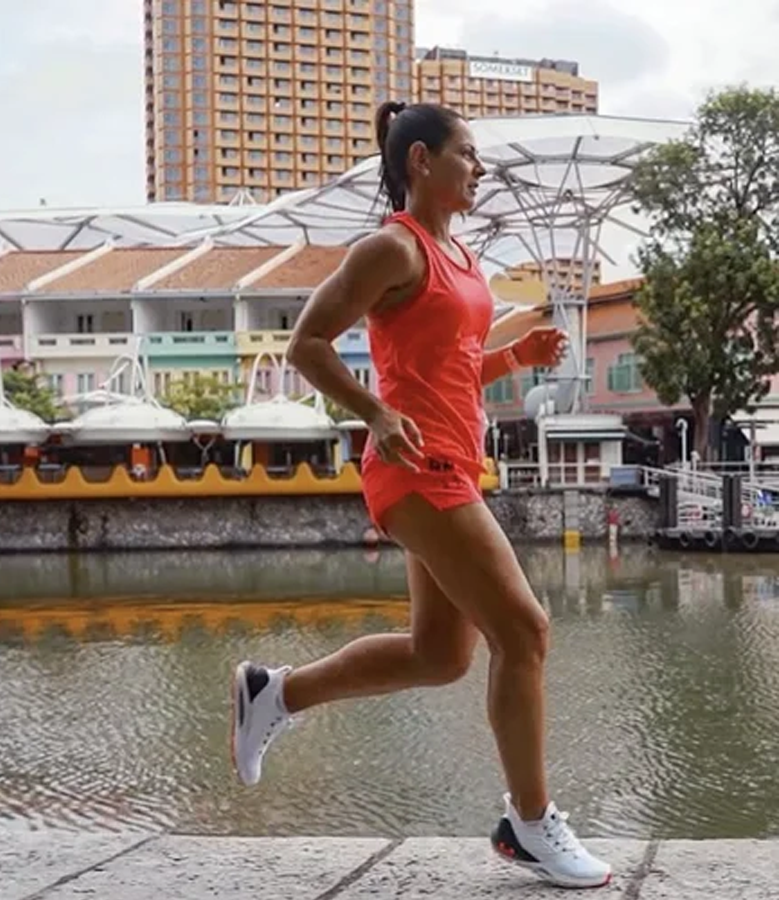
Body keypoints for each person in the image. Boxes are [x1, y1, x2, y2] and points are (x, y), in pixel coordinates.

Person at [230, 101, 611, 890]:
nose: (479, 168)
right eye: (466, 153)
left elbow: (453, 367)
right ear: (421, 161)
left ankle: (275, 692)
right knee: (525, 631)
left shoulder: (460, 258)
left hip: (453, 466)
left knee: (439, 656)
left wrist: (515, 357)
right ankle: (529, 822)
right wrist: (374, 411)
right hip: (414, 468)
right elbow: (306, 343)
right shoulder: (391, 248)